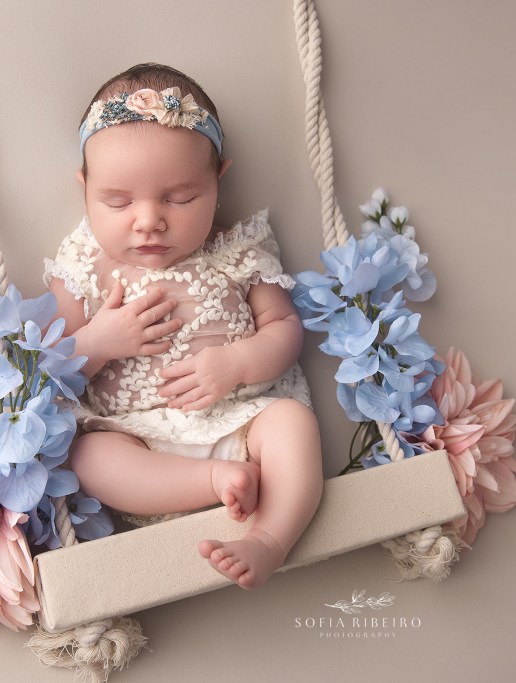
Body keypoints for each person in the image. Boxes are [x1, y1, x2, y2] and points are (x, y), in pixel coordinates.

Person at [45, 63, 322, 589]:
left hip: (238, 422)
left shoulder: (237, 249)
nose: (148, 220)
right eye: (118, 201)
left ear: (218, 180)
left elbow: (283, 326)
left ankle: (267, 539)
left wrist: (237, 362)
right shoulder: (83, 262)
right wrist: (102, 341)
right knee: (88, 455)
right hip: (138, 440)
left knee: (291, 425)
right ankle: (211, 482)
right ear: (85, 187)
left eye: (179, 198)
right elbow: (56, 362)